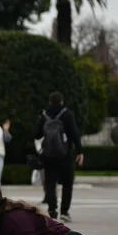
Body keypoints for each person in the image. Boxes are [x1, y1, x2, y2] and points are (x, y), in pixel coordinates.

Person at [33, 92, 83, 222]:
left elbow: (37, 135)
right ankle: (65, 211)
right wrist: (80, 151)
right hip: (65, 154)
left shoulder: (44, 115)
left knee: (50, 183)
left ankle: (52, 210)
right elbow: (75, 133)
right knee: (67, 183)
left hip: (49, 155)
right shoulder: (67, 114)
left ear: (50, 102)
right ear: (62, 101)